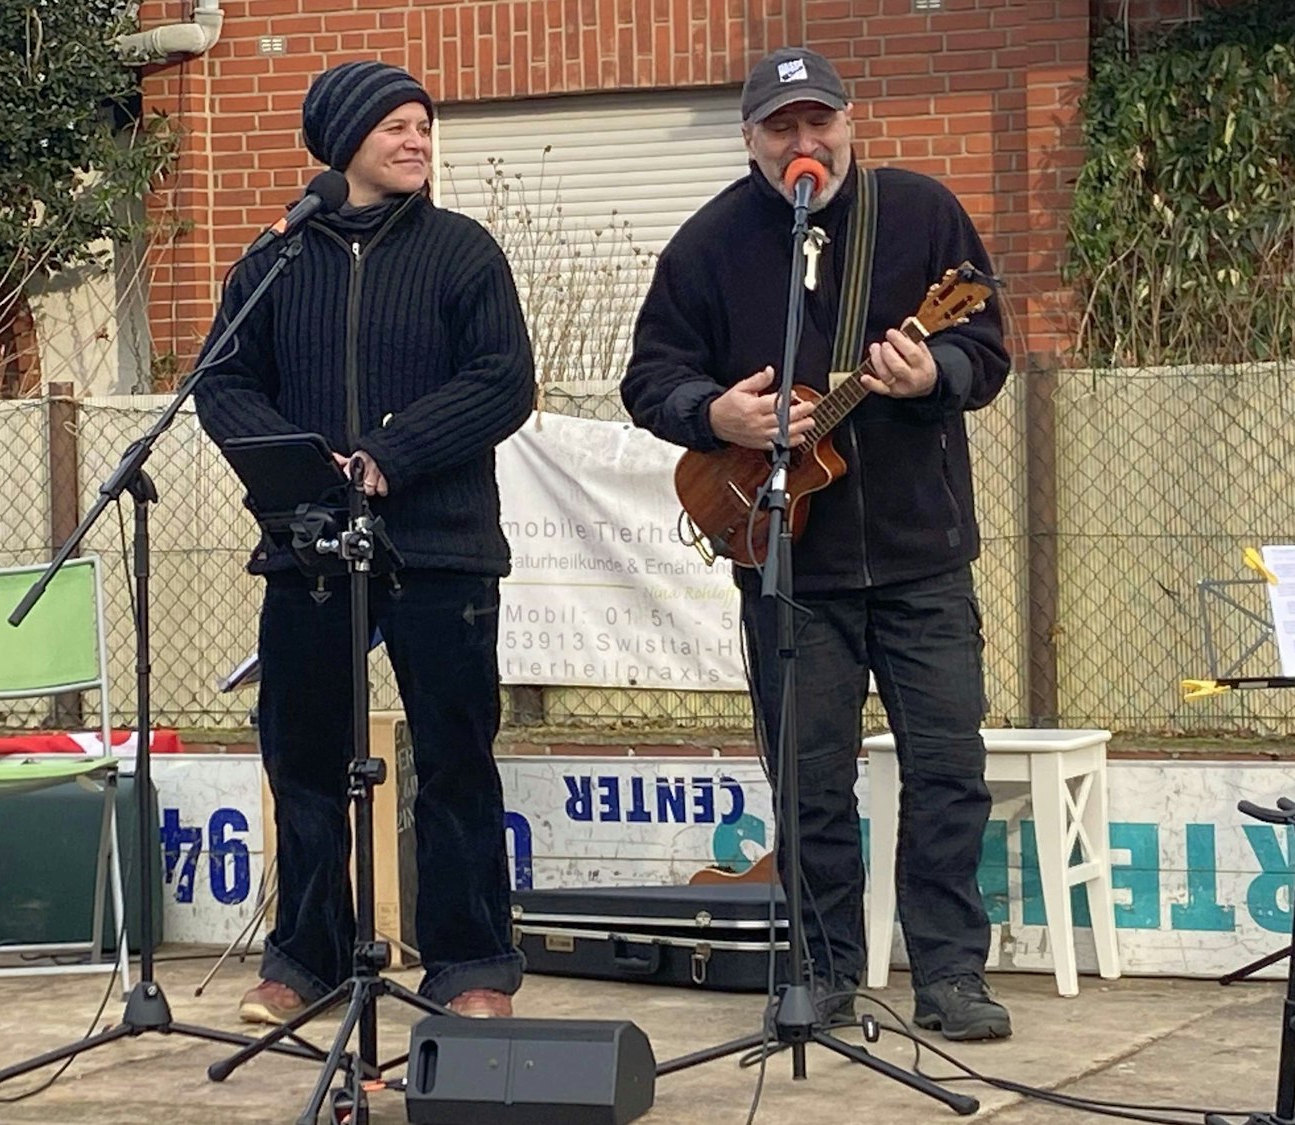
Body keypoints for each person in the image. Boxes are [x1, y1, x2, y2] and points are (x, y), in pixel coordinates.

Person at [621, 46, 1013, 1041]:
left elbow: (988, 344)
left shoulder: (920, 213)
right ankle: (824, 967)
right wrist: (716, 416)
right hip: (790, 562)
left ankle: (950, 974)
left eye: (818, 122)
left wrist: (934, 377)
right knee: (807, 775)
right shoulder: (706, 246)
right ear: (750, 138)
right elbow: (649, 377)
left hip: (921, 550)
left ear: (848, 122)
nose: (804, 144)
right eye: (780, 127)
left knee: (944, 768)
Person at [192, 60, 535, 1024]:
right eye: (394, 124)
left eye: (425, 123)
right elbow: (221, 384)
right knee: (302, 759)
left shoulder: (465, 253)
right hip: (309, 551)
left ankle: (472, 968)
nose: (417, 138)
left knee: (456, 756)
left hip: (442, 548)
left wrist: (389, 453)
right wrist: (303, 470)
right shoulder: (271, 264)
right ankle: (304, 960)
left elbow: (504, 380)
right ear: (341, 141)